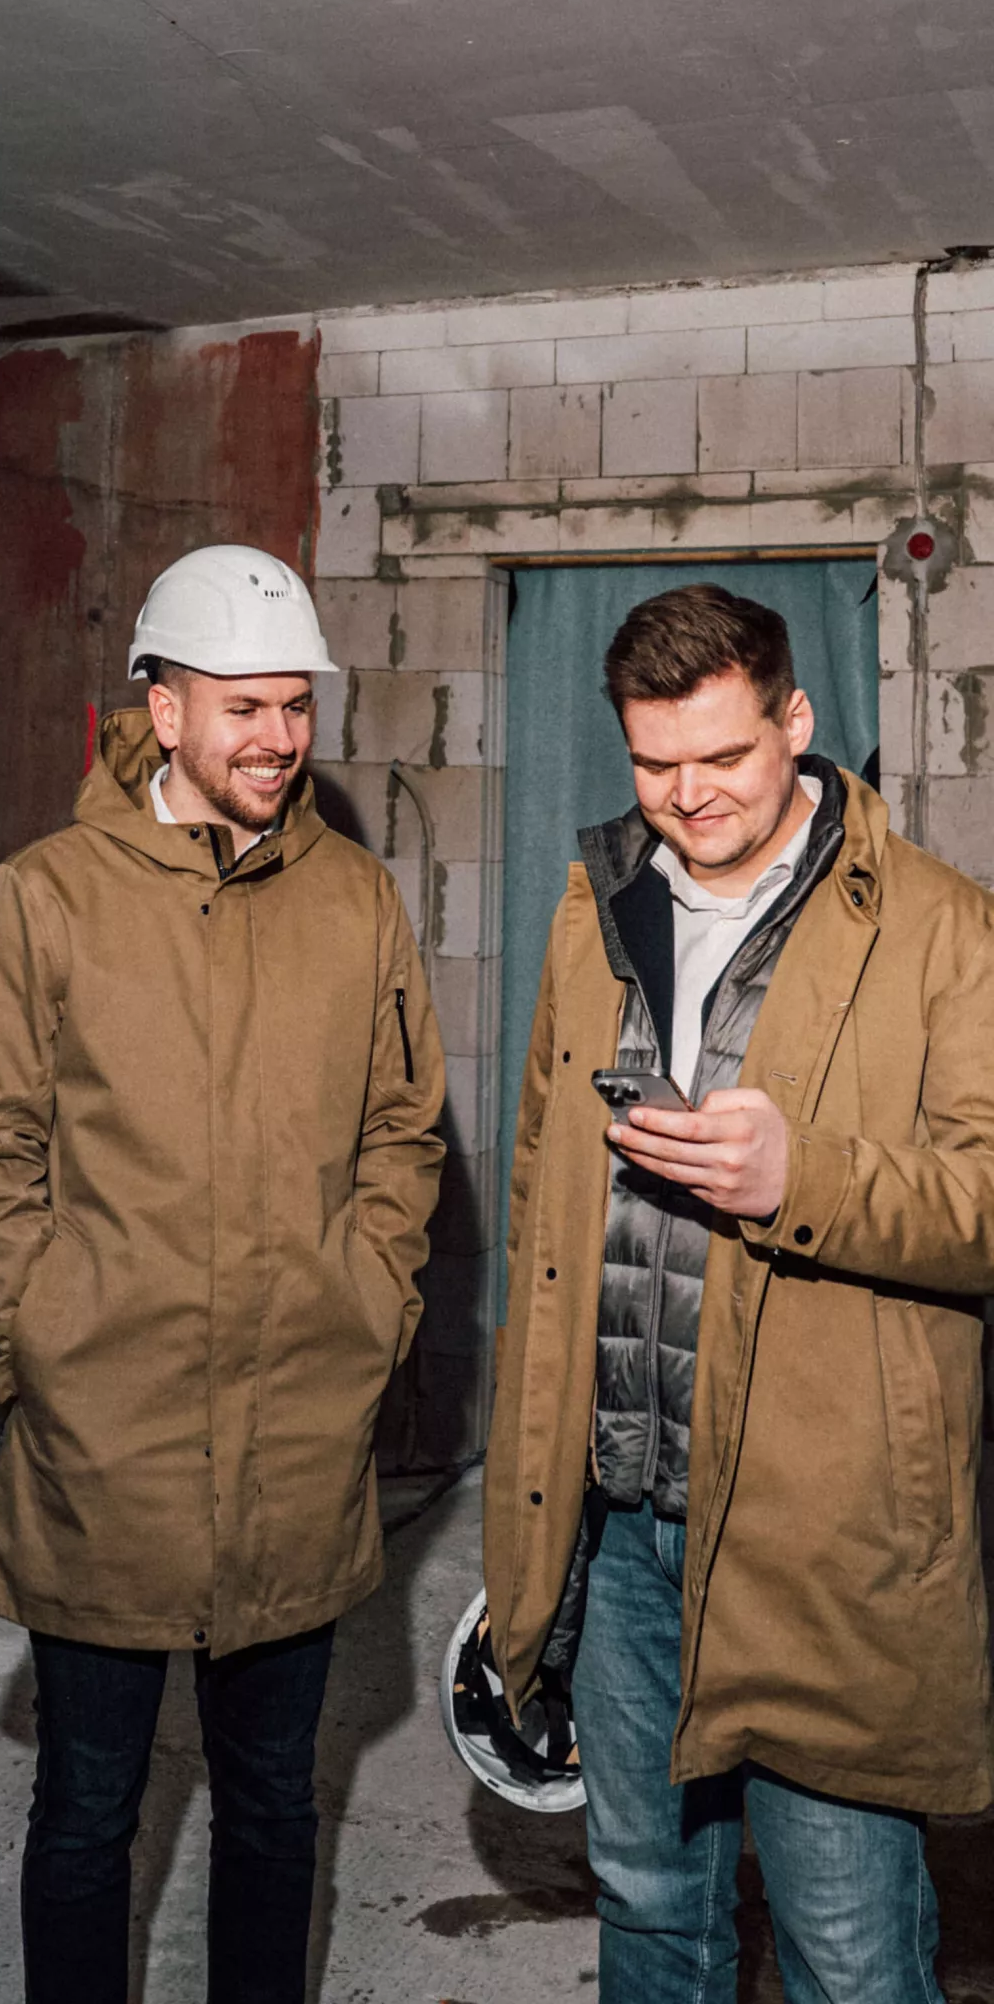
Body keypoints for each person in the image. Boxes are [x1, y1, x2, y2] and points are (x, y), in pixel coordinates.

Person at [0, 543, 446, 2004]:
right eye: (245, 708)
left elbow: (403, 1132)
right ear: (162, 711)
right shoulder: (49, 897)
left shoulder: (356, 900)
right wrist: (40, 1346)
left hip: (298, 1435)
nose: (279, 737)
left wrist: (369, 1309)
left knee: (274, 1804)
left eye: (297, 706)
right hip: (107, 1441)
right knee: (87, 1808)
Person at [485, 583, 994, 2003]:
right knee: (650, 1905)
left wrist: (803, 1176)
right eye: (655, 763)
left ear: (797, 720)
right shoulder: (599, 907)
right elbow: (541, 1191)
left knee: (847, 1944)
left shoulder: (943, 929)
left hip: (818, 1530)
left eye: (724, 755)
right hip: (618, 1514)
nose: (689, 794)